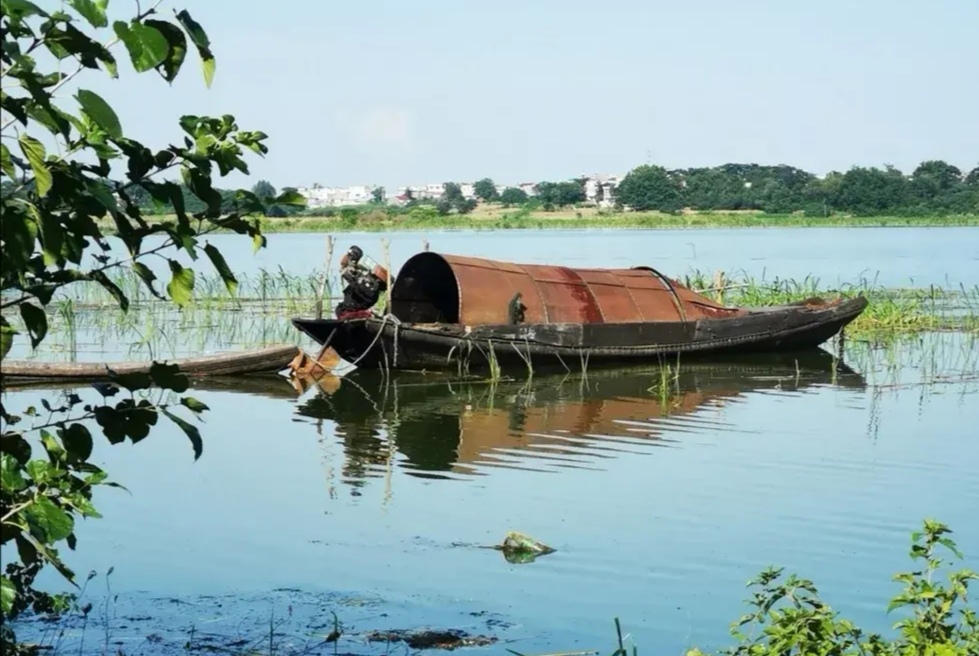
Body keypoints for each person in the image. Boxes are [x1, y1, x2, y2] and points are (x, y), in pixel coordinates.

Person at [335, 245, 389, 320]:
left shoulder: (370, 287)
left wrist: (347, 264)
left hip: (350, 313)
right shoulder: (372, 289)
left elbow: (351, 277)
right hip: (348, 311)